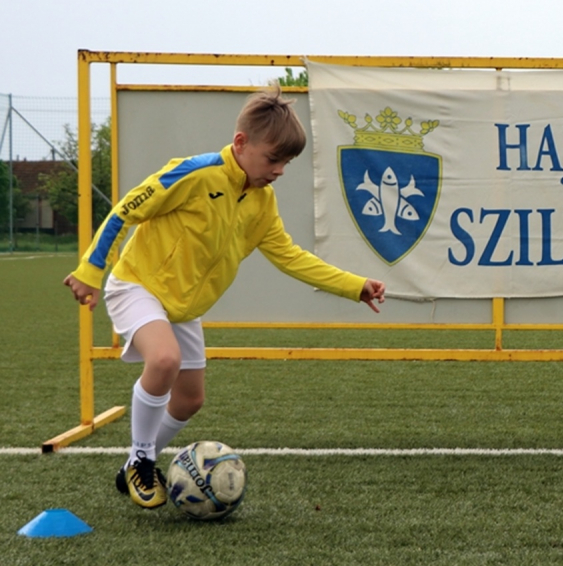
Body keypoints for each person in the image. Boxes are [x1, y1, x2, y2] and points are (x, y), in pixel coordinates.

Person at [64, 86, 386, 509]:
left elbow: (289, 256)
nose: (279, 170)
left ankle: (131, 465)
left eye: (286, 162)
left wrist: (353, 285)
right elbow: (127, 208)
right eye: (273, 159)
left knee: (190, 399)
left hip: (184, 308)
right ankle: (142, 462)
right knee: (163, 360)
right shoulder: (195, 173)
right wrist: (90, 270)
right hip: (137, 284)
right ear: (241, 143)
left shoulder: (261, 202)